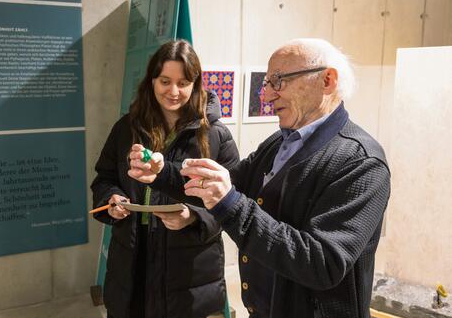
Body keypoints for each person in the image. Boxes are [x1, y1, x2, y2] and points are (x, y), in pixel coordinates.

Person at [128, 38, 391, 318]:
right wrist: (163, 173)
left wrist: (231, 204)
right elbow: (225, 183)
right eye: (267, 84)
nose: (267, 96)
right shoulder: (279, 142)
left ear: (327, 80)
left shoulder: (361, 162)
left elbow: (322, 263)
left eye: (279, 81)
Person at [91, 39, 239, 318]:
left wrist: (193, 216)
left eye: (183, 83)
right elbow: (105, 177)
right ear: (151, 81)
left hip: (190, 263)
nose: (174, 91)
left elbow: (235, 198)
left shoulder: (216, 134)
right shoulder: (126, 128)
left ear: (196, 84)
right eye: (164, 81)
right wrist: (111, 198)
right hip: (132, 255)